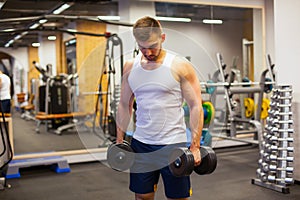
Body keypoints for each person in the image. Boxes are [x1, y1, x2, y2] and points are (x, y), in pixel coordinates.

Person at [116, 16, 204, 200]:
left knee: (178, 197)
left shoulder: (180, 66)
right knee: (143, 196)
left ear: (162, 38)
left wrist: (195, 146)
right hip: (141, 144)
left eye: (152, 46)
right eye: (142, 47)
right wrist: (120, 141)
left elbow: (195, 105)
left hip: (173, 145)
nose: (148, 52)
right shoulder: (130, 67)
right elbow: (125, 104)